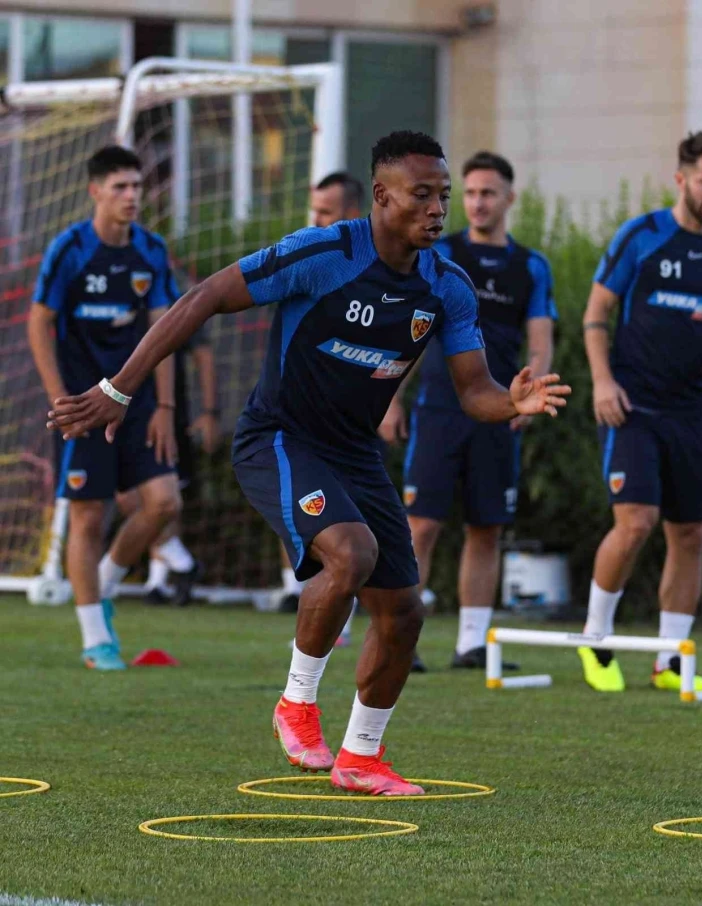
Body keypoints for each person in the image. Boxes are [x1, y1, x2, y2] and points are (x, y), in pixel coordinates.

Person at [47, 131, 570, 794]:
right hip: (279, 438)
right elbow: (203, 297)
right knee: (350, 554)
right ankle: (295, 703)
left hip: (354, 453)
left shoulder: (447, 285)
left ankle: (360, 757)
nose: (438, 208)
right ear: (381, 196)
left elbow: (474, 391)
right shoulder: (322, 254)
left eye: (443, 195)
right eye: (422, 194)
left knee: (404, 613)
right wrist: (119, 389)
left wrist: (512, 401)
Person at [380, 151, 556, 671]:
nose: (478, 203)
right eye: (470, 193)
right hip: (439, 410)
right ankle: (400, 641)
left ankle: (472, 644)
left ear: (509, 198)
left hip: (498, 410)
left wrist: (530, 393)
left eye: (488, 193)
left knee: (488, 526)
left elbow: (540, 342)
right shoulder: (439, 254)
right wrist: (392, 397)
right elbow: (409, 331)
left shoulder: (531, 267)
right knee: (421, 525)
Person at [578, 131, 702, 693]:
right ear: (681, 180)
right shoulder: (641, 235)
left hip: (691, 410)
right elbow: (596, 313)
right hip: (631, 405)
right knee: (636, 523)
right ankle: (596, 639)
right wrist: (601, 382)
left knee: (690, 533)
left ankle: (671, 663)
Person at [29, 145, 182, 670]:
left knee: (164, 503)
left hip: (136, 400)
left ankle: (105, 583)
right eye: (120, 186)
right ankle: (96, 640)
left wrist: (166, 405)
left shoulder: (151, 250)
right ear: (96, 191)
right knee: (89, 514)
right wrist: (59, 398)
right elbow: (39, 322)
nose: (131, 196)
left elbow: (166, 328)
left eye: (137, 186)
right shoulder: (70, 248)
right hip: (82, 403)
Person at [278, 170, 366, 614]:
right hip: (292, 427)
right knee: (313, 522)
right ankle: (296, 591)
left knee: (357, 538)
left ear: (353, 213)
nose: (315, 221)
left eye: (325, 213)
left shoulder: (383, 273)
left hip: (352, 430)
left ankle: (346, 608)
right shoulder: (303, 258)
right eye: (313, 211)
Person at [116, 319, 220, 606]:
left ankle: (158, 582)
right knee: (129, 498)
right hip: (122, 411)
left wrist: (210, 412)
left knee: (164, 500)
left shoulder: (172, 301)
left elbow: (203, 354)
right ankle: (183, 563)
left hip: (165, 416)